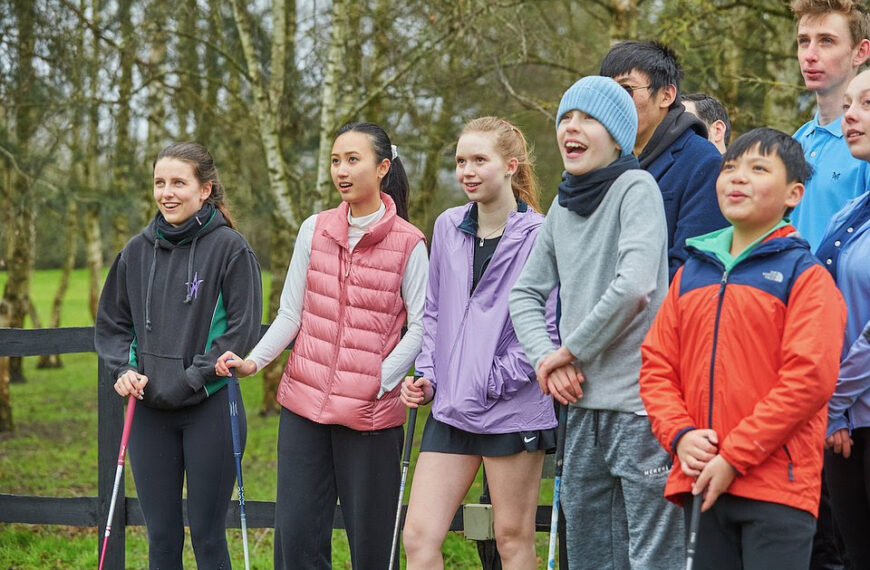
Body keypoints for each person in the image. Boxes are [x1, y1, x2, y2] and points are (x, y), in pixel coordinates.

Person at [214, 122, 427, 570]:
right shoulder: (314, 230)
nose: (341, 170)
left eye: (353, 160)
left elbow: (422, 328)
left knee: (372, 549)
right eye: (335, 160)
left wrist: (380, 380)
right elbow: (292, 313)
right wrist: (254, 362)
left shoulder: (410, 244)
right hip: (303, 411)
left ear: (383, 167)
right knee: (297, 542)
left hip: (370, 420)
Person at [640, 127, 847, 569]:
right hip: (700, 480)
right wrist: (680, 436)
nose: (737, 178)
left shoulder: (805, 278)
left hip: (777, 488)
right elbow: (657, 366)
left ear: (794, 193)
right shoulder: (691, 273)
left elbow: (809, 380)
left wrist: (735, 456)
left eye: (758, 168)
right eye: (729, 167)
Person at [510, 76, 683, 569]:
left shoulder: (637, 187)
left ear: (617, 136)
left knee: (652, 557)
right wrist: (547, 357)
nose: (572, 128)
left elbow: (634, 287)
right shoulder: (564, 206)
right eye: (565, 118)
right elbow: (523, 293)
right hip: (580, 407)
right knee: (588, 554)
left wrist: (569, 351)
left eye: (588, 119)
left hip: (640, 408)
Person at [94, 142, 264, 568]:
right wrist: (123, 369)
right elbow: (114, 325)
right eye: (159, 183)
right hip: (149, 411)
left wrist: (193, 377)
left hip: (210, 407)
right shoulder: (135, 251)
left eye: (178, 183)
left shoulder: (231, 249)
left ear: (205, 189)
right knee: (163, 541)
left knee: (208, 540)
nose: (167, 192)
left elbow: (240, 332)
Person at [399, 117, 557, 569]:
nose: (467, 170)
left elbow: (544, 329)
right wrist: (427, 377)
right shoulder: (448, 226)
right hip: (450, 408)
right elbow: (433, 312)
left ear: (510, 166)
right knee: (419, 536)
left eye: (478, 160)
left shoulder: (541, 235)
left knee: (511, 539)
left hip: (511, 409)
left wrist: (485, 380)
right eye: (460, 161)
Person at [600, 41, 728, 280]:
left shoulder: (703, 163)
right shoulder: (602, 163)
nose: (615, 102)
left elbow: (691, 268)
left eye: (627, 89)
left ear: (666, 95)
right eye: (608, 92)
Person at [816, 68, 870, 568]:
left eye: (867, 103)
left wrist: (830, 403)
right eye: (850, 102)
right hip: (846, 423)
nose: (850, 115)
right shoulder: (851, 213)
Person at [790, 0, 870, 252]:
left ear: (860, 51)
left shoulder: (865, 146)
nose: (810, 55)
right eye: (804, 41)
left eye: (826, 41)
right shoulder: (798, 140)